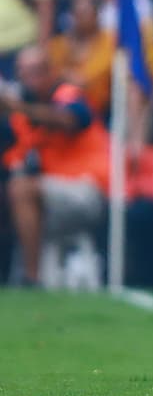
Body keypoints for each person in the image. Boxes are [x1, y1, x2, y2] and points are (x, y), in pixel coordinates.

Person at [2, 45, 109, 285]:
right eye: (23, 73)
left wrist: (17, 106)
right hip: (51, 193)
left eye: (35, 72)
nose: (28, 80)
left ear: (50, 71)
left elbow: (68, 120)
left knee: (21, 190)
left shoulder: (69, 95)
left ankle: (32, 278)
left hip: (87, 190)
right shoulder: (24, 114)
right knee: (13, 188)